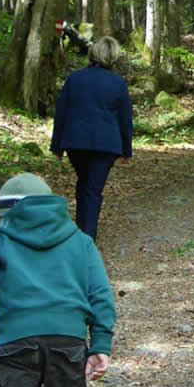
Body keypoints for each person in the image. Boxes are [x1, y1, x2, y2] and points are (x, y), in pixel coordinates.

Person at [0, 173, 116, 387]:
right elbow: (101, 295)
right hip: (67, 340)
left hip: (15, 342)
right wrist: (100, 344)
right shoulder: (81, 241)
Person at [50, 36, 133, 242]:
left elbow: (61, 112)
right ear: (113, 57)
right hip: (106, 145)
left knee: (84, 184)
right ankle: (87, 238)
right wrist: (126, 149)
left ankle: (81, 232)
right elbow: (125, 118)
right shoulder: (118, 83)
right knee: (93, 189)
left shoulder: (74, 78)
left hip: (76, 143)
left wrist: (57, 145)